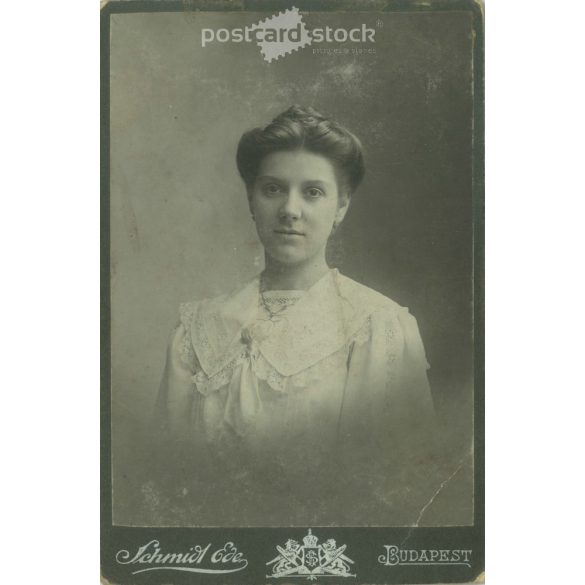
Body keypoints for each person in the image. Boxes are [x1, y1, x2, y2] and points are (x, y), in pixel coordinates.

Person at [155, 105, 437, 525]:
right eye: (273, 189)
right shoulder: (198, 329)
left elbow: (398, 492)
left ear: (341, 207)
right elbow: (164, 479)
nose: (290, 209)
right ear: (251, 199)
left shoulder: (378, 326)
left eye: (313, 192)